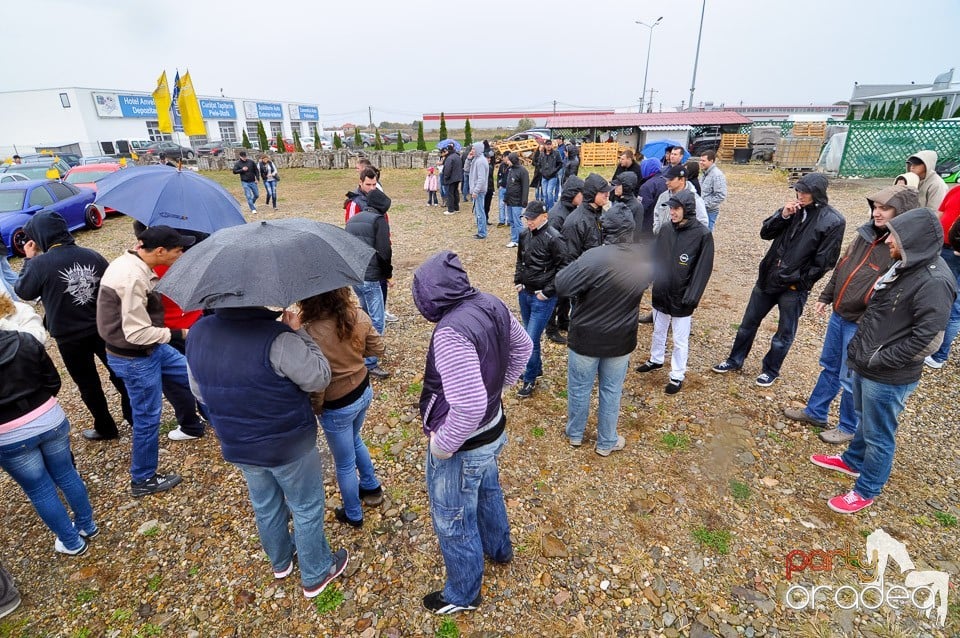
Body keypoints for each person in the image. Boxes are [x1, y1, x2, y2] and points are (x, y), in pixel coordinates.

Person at [186, 303, 349, 597]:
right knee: (306, 506)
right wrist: (299, 332)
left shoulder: (198, 332)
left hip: (237, 441)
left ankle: (281, 562)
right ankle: (316, 573)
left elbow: (199, 392)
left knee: (265, 504)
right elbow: (319, 377)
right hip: (289, 443)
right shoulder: (279, 338)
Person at [809, 207, 955, 514]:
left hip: (888, 375)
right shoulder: (905, 264)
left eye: (895, 235)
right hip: (868, 363)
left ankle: (867, 489)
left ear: (913, 239)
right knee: (866, 421)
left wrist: (880, 359)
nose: (887, 240)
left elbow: (929, 339)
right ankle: (851, 461)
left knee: (879, 435)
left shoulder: (934, 281)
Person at [412, 251, 532, 615]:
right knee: (488, 491)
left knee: (453, 519)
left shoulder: (450, 333)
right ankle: (499, 549)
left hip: (466, 444)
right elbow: (524, 347)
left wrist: (443, 447)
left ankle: (463, 594)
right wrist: (501, 386)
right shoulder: (490, 302)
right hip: (494, 427)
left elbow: (467, 406)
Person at [783, 185, 919, 443]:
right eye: (875, 208)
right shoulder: (865, 235)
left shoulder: (899, 249)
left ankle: (848, 426)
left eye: (884, 209)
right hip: (840, 314)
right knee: (830, 366)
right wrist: (827, 296)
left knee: (850, 376)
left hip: (861, 323)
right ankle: (816, 412)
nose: (877, 214)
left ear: (902, 213)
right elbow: (843, 267)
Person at [712, 173, 845, 386]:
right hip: (768, 277)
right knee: (748, 323)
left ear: (817, 193)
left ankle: (771, 370)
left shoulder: (833, 221)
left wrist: (800, 282)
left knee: (784, 332)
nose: (799, 195)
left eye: (804, 192)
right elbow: (765, 233)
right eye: (798, 190)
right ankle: (734, 360)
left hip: (793, 287)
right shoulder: (792, 210)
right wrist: (782, 215)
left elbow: (825, 261)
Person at [97, 225, 198, 497]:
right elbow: (137, 332)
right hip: (135, 357)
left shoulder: (136, 262)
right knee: (147, 418)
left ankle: (200, 426)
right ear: (160, 251)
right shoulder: (132, 278)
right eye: (179, 250)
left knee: (193, 376)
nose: (182, 254)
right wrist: (181, 333)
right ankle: (142, 479)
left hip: (151, 349)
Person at [15, 211, 132, 441]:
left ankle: (106, 428)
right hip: (102, 327)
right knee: (121, 375)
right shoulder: (92, 255)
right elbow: (112, 288)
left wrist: (29, 258)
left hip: (69, 336)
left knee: (88, 385)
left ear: (40, 236)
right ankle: (135, 418)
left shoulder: (39, 264)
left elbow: (23, 291)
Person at [0, 301, 98, 557]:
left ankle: (71, 541)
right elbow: (53, 381)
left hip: (9, 433)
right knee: (66, 474)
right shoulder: (25, 339)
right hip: (49, 417)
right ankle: (87, 525)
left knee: (39, 489)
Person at [555, 203, 648, 455]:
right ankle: (606, 441)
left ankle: (575, 434)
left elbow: (561, 285)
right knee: (611, 391)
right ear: (630, 230)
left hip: (586, 337)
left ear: (604, 229)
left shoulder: (593, 257)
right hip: (620, 339)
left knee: (579, 388)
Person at [299, 288, 384, 527]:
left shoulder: (309, 333)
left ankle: (354, 514)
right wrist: (355, 353)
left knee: (344, 462)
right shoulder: (357, 315)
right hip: (363, 389)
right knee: (355, 438)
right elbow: (378, 349)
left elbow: (317, 382)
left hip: (337, 403)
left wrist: (317, 407)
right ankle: (371, 485)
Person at [635, 190, 714, 394]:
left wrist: (692, 296)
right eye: (671, 208)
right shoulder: (665, 230)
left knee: (680, 340)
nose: (672, 212)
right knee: (658, 330)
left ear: (687, 209)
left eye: (676, 208)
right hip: (662, 291)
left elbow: (703, 270)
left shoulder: (702, 235)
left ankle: (677, 375)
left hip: (682, 296)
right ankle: (656, 359)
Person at [514, 201, 567, 398]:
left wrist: (547, 291)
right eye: (527, 218)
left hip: (542, 298)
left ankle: (529, 378)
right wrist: (518, 281)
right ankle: (535, 369)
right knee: (530, 337)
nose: (529, 222)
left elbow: (564, 267)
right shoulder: (524, 235)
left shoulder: (555, 238)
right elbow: (520, 259)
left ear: (544, 216)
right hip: (525, 293)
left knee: (529, 339)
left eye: (532, 218)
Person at [345, 188, 392, 379]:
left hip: (356, 275)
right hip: (371, 277)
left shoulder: (353, 219)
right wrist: (388, 273)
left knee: (362, 316)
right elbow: (384, 251)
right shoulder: (378, 221)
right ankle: (370, 363)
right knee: (377, 320)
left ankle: (358, 351)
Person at [925, 185, 960, 369]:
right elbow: (940, 214)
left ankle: (940, 354)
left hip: (955, 253)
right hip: (943, 248)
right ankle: (930, 344)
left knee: (953, 304)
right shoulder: (955, 191)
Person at [562, 173, 612, 259]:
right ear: (592, 193)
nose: (607, 194)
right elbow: (569, 259)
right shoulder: (576, 222)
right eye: (603, 192)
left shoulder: (601, 213)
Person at [652, 165, 709, 234]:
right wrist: (657, 229)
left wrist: (690, 239)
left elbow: (703, 222)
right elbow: (657, 213)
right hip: (664, 239)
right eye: (666, 179)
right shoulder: (663, 196)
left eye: (671, 179)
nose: (667, 182)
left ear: (681, 180)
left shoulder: (695, 199)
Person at [502, 152, 529, 248]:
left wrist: (524, 201)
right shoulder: (510, 170)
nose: (507, 161)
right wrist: (505, 198)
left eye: (509, 160)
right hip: (509, 200)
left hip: (517, 201)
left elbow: (525, 187)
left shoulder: (523, 171)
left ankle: (523, 241)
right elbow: (508, 185)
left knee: (517, 222)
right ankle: (515, 240)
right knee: (511, 221)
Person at [610, 172, 644, 243]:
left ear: (626, 187)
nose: (615, 187)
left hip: (627, 247)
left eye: (618, 185)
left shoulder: (637, 207)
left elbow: (636, 234)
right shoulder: (618, 200)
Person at [699, 150, 728, 231]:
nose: (701, 162)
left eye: (703, 161)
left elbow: (721, 195)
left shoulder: (717, 175)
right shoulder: (705, 173)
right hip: (702, 210)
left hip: (710, 211)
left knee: (706, 233)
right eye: (700, 160)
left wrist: (705, 204)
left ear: (711, 161)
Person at [638, 157, 667, 237]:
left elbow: (642, 208)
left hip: (648, 226)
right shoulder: (666, 181)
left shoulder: (646, 186)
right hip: (663, 223)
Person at [468, 143, 490, 239]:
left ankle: (482, 232)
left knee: (480, 212)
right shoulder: (476, 159)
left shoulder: (480, 161)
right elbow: (467, 169)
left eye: (473, 149)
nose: (472, 150)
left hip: (479, 191)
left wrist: (476, 191)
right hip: (477, 190)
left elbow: (481, 179)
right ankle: (480, 231)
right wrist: (469, 159)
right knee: (478, 212)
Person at [536, 139, 563, 210]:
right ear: (545, 146)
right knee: (544, 193)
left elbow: (560, 164)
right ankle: (547, 207)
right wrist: (541, 171)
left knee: (549, 192)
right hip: (544, 177)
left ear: (551, 145)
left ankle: (551, 208)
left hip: (553, 176)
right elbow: (538, 164)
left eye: (550, 144)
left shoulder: (556, 153)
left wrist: (554, 171)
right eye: (547, 145)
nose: (548, 146)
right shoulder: (542, 154)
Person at [442, 143, 463, 214]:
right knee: (455, 192)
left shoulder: (450, 158)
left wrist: (445, 177)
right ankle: (456, 208)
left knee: (450, 193)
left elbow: (448, 169)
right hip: (457, 177)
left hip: (451, 178)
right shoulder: (457, 156)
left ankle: (451, 209)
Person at [495, 153, 509, 227]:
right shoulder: (502, 166)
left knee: (509, 205)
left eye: (505, 157)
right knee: (501, 205)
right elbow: (498, 175)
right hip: (502, 188)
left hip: (509, 188)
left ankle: (509, 220)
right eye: (503, 157)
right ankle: (501, 220)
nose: (504, 159)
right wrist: (499, 184)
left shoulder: (511, 166)